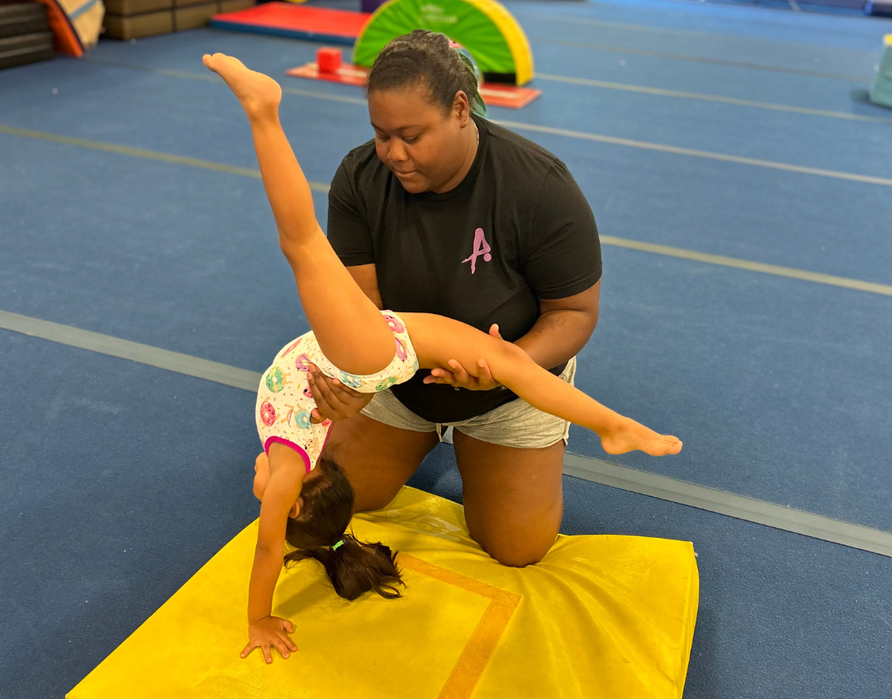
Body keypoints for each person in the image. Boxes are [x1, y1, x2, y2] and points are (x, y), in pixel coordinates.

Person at [202, 47, 680, 664]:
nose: (392, 153)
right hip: (390, 360)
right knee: (360, 489)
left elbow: (576, 314)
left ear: (460, 109)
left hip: (482, 372)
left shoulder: (538, 184)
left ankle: (263, 111)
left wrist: (495, 372)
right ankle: (605, 421)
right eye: (380, 136)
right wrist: (361, 386)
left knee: (518, 541)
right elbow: (361, 302)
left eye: (409, 136)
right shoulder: (360, 177)